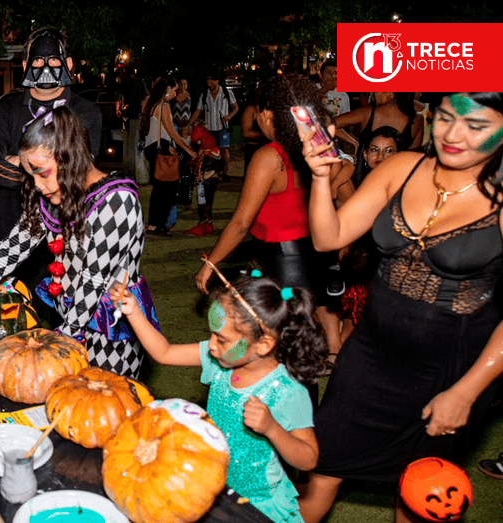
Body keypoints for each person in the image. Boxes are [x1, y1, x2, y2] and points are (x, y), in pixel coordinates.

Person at [298, 93, 503, 523]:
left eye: (475, 126)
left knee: (420, 493)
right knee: (322, 467)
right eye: (444, 118)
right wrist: (320, 178)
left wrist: (466, 392)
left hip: (448, 370)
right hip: (369, 355)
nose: (452, 134)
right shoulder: (402, 167)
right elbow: (327, 237)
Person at [0, 106, 154, 378]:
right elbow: (13, 246)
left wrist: (56, 347)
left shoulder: (116, 201)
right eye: (31, 176)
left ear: (70, 159)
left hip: (110, 334)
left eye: (43, 173)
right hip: (70, 326)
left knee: (103, 402)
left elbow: (93, 282)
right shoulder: (55, 195)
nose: (37, 185)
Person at [112, 270, 327, 522]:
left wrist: (272, 429)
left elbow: (309, 458)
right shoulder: (220, 360)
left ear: (264, 344)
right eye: (212, 334)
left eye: (222, 339)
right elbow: (165, 352)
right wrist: (133, 311)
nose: (212, 345)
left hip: (256, 504)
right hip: (210, 484)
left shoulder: (286, 392)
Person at [194, 75, 349, 355]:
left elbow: (242, 222)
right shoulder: (317, 153)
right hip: (311, 261)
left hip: (279, 266)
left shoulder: (270, 157)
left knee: (274, 350)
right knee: (300, 349)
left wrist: (211, 263)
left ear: (267, 115)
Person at [0, 27, 103, 242]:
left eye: (54, 60)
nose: (46, 67)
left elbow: (77, 172)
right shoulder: (4, 109)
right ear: (25, 65)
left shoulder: (86, 112)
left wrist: (19, 160)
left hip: (67, 232)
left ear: (68, 64)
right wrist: (52, 167)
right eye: (37, 60)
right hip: (13, 232)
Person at [140, 76, 196, 235]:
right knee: (168, 189)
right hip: (161, 148)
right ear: (167, 89)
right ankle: (159, 225)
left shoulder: (152, 104)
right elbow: (172, 133)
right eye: (174, 89)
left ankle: (153, 225)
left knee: (158, 189)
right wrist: (187, 149)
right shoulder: (163, 106)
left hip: (153, 148)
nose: (175, 93)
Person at [336, 91, 422, 154]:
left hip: (366, 175)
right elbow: (413, 156)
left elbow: (326, 123)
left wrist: (353, 142)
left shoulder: (367, 113)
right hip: (397, 175)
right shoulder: (417, 119)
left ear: (389, 93)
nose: (374, 94)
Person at [189, 73, 238, 174]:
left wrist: (229, 117)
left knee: (224, 149)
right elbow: (198, 111)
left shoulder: (226, 92)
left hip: (223, 127)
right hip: (209, 128)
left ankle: (225, 173)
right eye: (208, 82)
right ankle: (212, 172)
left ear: (217, 81)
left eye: (211, 82)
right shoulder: (204, 95)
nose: (209, 84)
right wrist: (189, 124)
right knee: (209, 151)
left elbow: (235, 107)